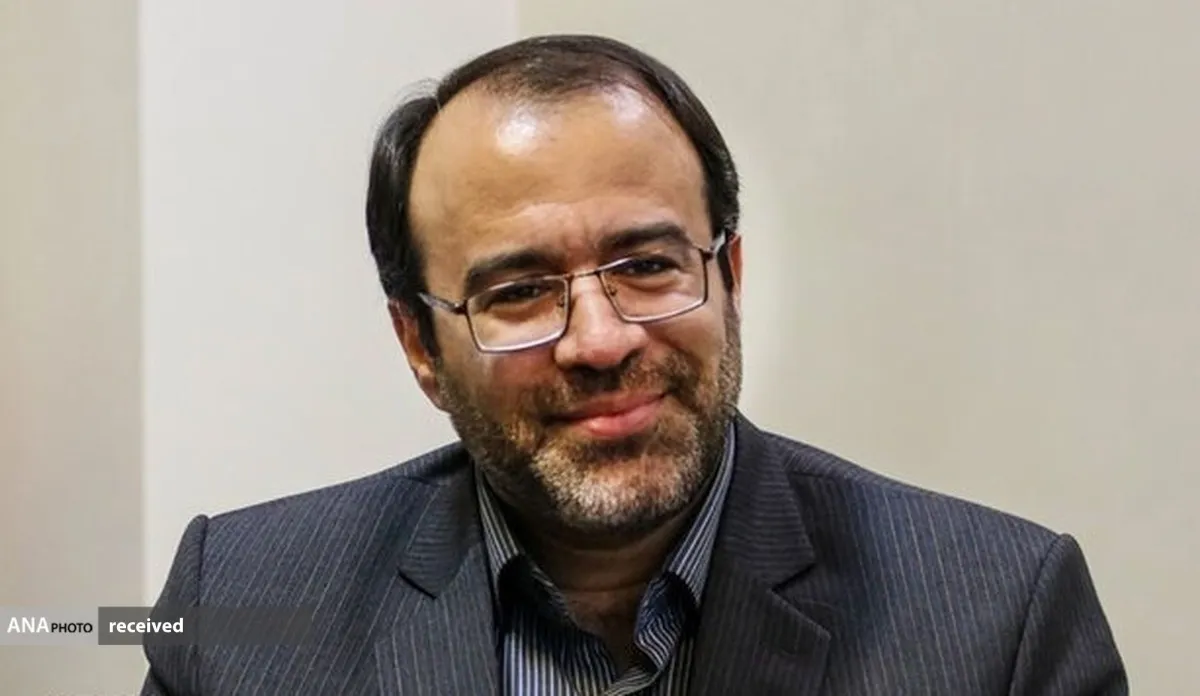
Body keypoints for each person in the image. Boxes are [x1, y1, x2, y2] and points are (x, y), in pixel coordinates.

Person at [141, 34, 1126, 695]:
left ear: (730, 278)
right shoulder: (234, 609)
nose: (601, 341)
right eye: (519, 291)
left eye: (649, 267)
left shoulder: (997, 618)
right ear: (420, 347)